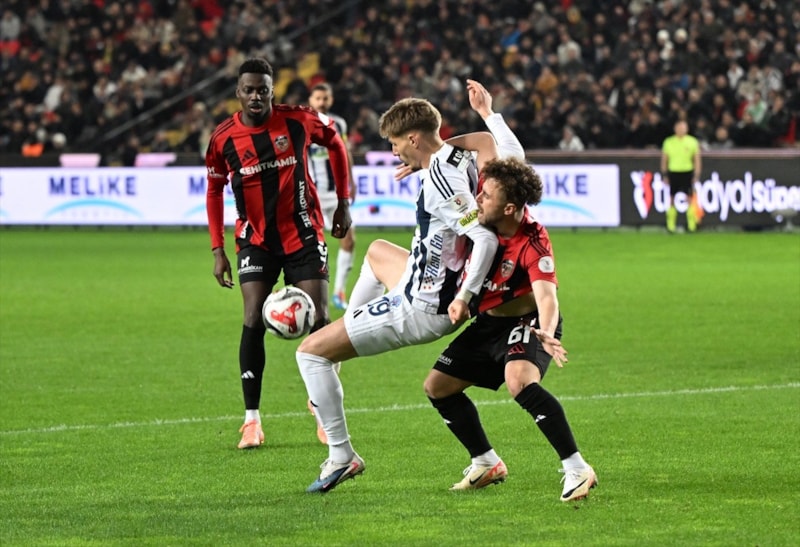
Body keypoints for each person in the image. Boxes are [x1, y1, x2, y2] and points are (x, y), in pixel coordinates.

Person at [295, 96, 501, 493]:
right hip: (420, 274)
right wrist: (429, 154)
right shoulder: (457, 156)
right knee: (375, 252)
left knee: (309, 353)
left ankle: (341, 455)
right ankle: (342, 346)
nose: (393, 152)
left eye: (395, 143)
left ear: (413, 138)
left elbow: (484, 238)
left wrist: (465, 296)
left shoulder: (440, 181)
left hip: (421, 304)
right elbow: (486, 141)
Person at [424, 157, 596, 502]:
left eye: (486, 196)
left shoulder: (533, 240)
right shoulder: (479, 222)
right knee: (437, 387)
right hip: (488, 323)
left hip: (526, 322)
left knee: (519, 382)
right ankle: (486, 462)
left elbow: (546, 296)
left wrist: (547, 331)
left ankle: (577, 468)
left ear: (509, 208)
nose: (478, 199)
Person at [205, 58, 352, 450]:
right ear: (238, 93)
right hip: (255, 239)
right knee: (253, 317)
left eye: (263, 90)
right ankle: (251, 420)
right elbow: (214, 190)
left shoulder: (299, 120)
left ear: (273, 91)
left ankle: (322, 407)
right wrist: (218, 248)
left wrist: (343, 202)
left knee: (321, 320)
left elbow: (336, 144)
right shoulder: (223, 139)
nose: (256, 96)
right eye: (249, 90)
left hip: (302, 232)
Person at [307, 82, 357, 311]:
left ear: (331, 100)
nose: (321, 102)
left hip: (336, 193)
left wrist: (351, 182)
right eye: (318, 98)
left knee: (348, 240)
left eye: (325, 98)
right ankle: (308, 292)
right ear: (311, 100)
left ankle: (339, 292)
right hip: (313, 194)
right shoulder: (304, 123)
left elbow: (345, 152)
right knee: (310, 245)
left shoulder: (339, 123)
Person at [661, 119, 702, 233]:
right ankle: (671, 225)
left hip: (687, 171)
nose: (681, 130)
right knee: (672, 198)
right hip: (673, 172)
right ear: (675, 129)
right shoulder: (668, 142)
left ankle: (691, 225)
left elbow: (697, 159)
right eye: (679, 127)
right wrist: (665, 174)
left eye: (683, 127)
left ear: (687, 129)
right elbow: (664, 159)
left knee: (690, 198)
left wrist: (696, 174)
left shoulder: (692, 142)